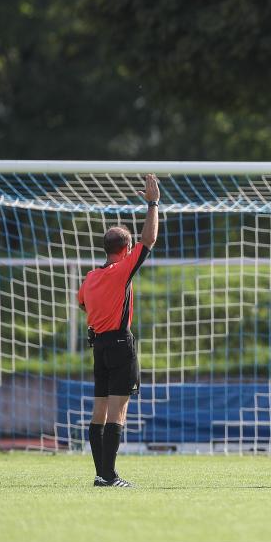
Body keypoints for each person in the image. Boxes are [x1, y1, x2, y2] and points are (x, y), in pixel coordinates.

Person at [77, 173, 159, 488]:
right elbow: (148, 241)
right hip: (121, 346)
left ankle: (101, 474)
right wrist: (152, 204)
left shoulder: (90, 277)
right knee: (118, 412)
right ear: (125, 249)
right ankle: (109, 476)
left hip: (99, 347)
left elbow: (83, 305)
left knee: (98, 411)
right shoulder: (122, 270)